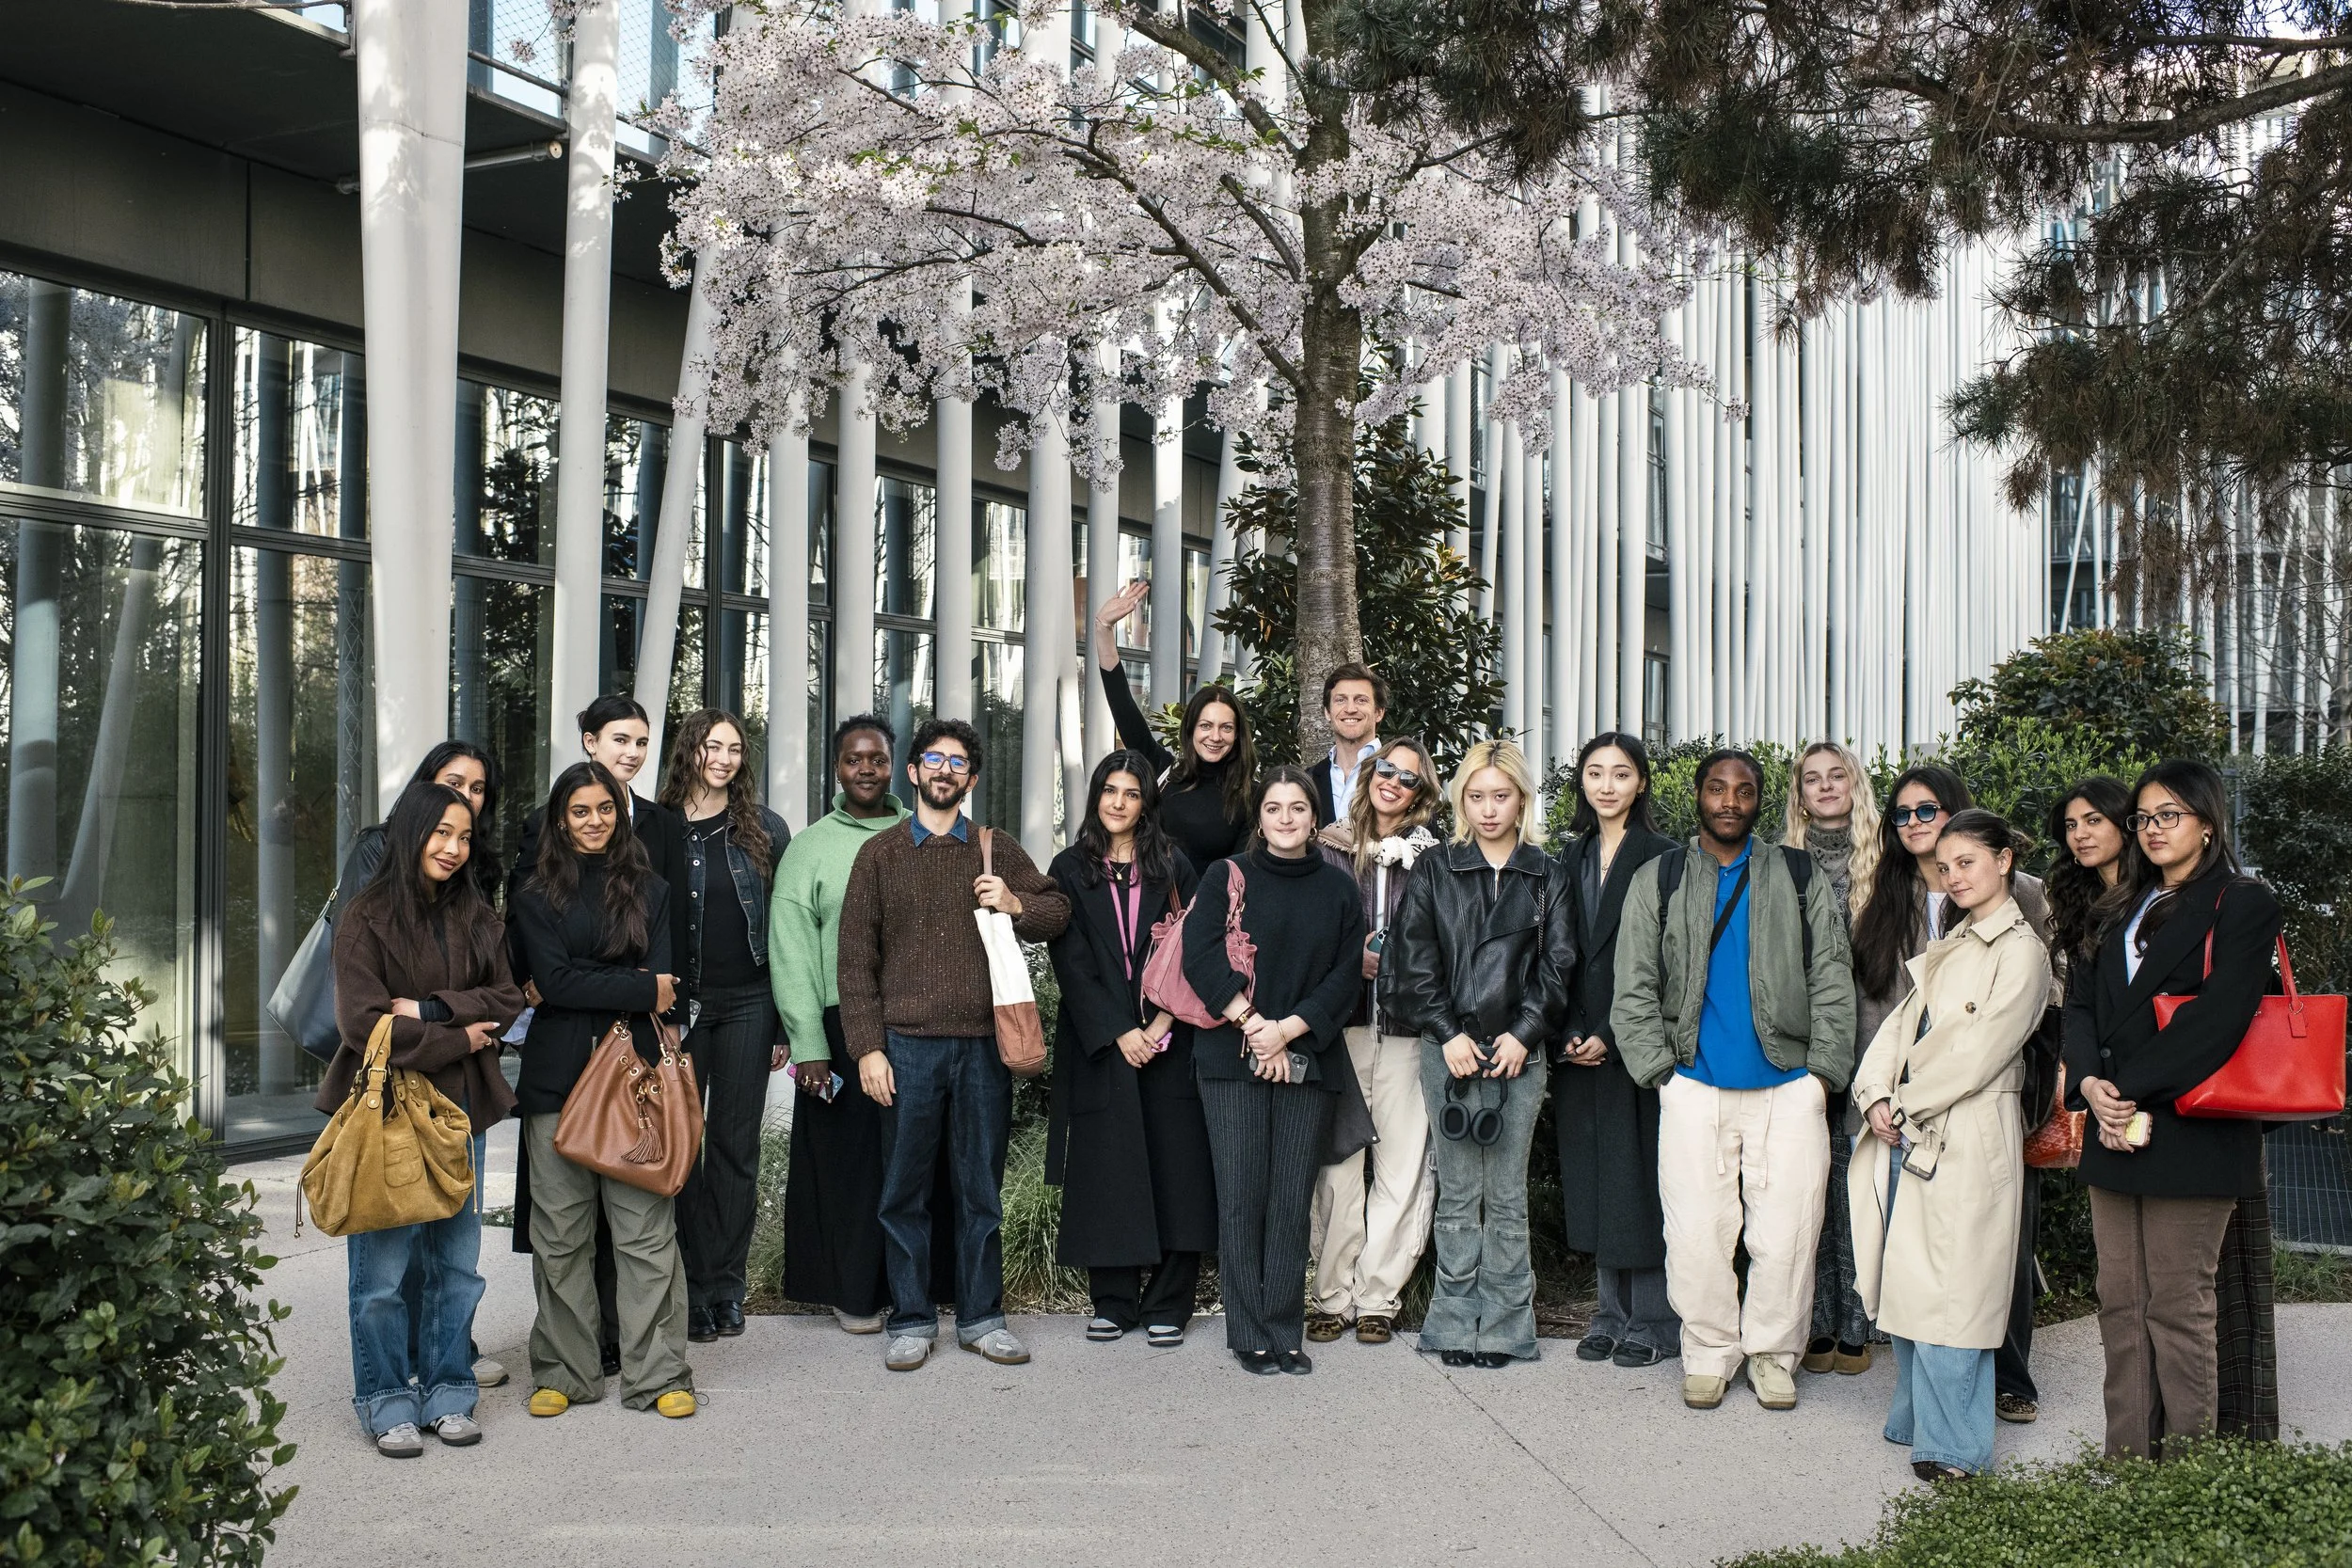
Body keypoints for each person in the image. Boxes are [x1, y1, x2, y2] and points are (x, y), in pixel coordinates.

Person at [1612, 749, 1856, 1413]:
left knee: (1788, 1233)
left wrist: (1822, 1075)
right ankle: (1709, 1352)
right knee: (1696, 1233)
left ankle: (1774, 1355)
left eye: (1743, 790)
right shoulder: (1661, 877)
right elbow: (1633, 984)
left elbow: (1833, 978)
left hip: (1789, 1084)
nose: (1729, 801)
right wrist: (1660, 1072)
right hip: (1693, 1084)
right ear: (1697, 794)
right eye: (1717, 788)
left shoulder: (1796, 873)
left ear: (1759, 800)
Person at [2062, 759, 2284, 1461]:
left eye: (2169, 815)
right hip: (2112, 1123)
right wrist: (2089, 1084)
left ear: (2207, 824)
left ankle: (2189, 1473)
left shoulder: (2241, 902)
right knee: (2120, 1304)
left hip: (2194, 1129)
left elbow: (2219, 1020)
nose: (2153, 829)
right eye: (2144, 818)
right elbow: (2081, 1005)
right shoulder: (2118, 903)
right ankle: (2126, 1461)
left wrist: (2124, 1087)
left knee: (2180, 1308)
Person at [835, 718, 1071, 1371]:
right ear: (913, 772)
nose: (946, 770)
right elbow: (854, 961)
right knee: (903, 1192)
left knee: (979, 1191)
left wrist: (1015, 903)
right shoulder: (879, 854)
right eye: (934, 759)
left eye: (958, 762)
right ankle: (911, 1320)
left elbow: (1058, 912)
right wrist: (867, 1048)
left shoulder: (994, 849)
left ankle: (982, 1318)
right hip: (905, 1048)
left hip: (983, 1049)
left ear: (971, 778)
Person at [1850, 810, 2053, 1481]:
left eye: (1967, 861)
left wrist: (1901, 1102)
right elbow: (1900, 1025)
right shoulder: (1958, 939)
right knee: (1914, 1283)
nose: (1954, 876)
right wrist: (1874, 1093)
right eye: (1945, 866)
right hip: (1919, 1126)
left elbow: (1982, 1051)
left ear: (2005, 860)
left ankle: (1956, 1447)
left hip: (1968, 1133)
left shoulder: (2020, 950)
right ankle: (1916, 1422)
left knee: (1957, 1294)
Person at [322, 781, 523, 1457]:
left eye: (464, 836)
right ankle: (385, 1400)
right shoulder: (365, 916)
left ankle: (448, 1392)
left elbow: (506, 999)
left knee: (456, 1266)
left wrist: (433, 1010)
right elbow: (362, 1022)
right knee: (382, 1274)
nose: (454, 847)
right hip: (388, 1111)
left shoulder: (476, 914)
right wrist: (460, 1037)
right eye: (441, 832)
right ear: (411, 832)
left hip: (461, 1109)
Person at [507, 694, 689, 1377]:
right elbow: (553, 982)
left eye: (605, 810)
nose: (594, 821)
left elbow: (667, 982)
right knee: (560, 1235)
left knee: (645, 1232)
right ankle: (565, 1373)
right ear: (560, 820)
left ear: (620, 815)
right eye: (580, 811)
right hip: (556, 1076)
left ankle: (658, 1373)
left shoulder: (652, 890)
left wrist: (592, 980)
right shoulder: (533, 894)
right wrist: (634, 986)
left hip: (637, 1074)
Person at [1389, 739, 1571, 1369]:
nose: (1489, 809)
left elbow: (1559, 964)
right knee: (1460, 1192)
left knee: (1508, 1194)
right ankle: (1452, 1321)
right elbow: (1413, 960)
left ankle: (1506, 1326)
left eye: (1501, 795)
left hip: (1521, 1052)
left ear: (1521, 799)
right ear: (1461, 801)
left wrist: (1525, 1032)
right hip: (1451, 1050)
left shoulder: (1547, 872)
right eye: (1476, 796)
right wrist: (1447, 1032)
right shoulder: (1436, 867)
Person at [772, 715, 957, 1335]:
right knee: (848, 1166)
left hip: (914, 1019)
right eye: (855, 759)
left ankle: (917, 1288)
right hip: (835, 1024)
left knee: (915, 1161)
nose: (867, 769)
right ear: (837, 768)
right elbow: (791, 950)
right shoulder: (809, 848)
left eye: (877, 758)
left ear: (896, 765)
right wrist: (809, 1043)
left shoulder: (924, 833)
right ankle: (853, 1292)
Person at [1183, 765, 1365, 1375]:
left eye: (1297, 808)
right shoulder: (1226, 875)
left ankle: (1285, 1329)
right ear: (1259, 818)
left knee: (1290, 1198)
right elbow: (1199, 955)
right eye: (1273, 808)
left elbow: (1344, 978)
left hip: (1307, 1058)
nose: (1286, 818)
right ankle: (1248, 1332)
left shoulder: (1340, 889)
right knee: (1241, 1197)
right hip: (1232, 1057)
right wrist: (1255, 1025)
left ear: (1315, 818)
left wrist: (1286, 1031)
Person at [1044, 752, 1216, 1346]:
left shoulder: (1173, 864)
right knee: (1107, 1166)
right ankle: (1114, 1302)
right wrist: (1120, 1031)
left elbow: (1198, 943)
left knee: (1177, 1166)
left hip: (1172, 1033)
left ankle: (1169, 1302)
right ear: (1096, 796)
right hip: (1102, 1041)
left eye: (1132, 793)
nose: (1118, 803)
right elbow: (1071, 960)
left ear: (1147, 803)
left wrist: (1162, 1021)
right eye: (1109, 791)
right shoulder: (1069, 868)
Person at [657, 708, 790, 1345]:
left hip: (749, 1004)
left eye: (735, 748)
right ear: (691, 750)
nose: (724, 758)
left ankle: (724, 1287)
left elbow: (785, 929)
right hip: (681, 1009)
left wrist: (785, 1022)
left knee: (736, 1150)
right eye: (713, 746)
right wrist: (657, 1011)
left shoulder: (764, 827)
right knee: (682, 1149)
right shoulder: (657, 825)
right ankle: (686, 1288)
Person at [1306, 735, 1442, 1346]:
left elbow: (1448, 941)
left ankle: (1378, 1297)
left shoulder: (1436, 859)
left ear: (1421, 792)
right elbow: (1306, 935)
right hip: (1345, 1028)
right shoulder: (1327, 848)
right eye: (1386, 768)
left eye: (1409, 777)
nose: (1393, 781)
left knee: (1403, 1169)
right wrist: (1348, 964)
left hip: (1410, 1032)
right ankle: (1331, 1294)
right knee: (1336, 1167)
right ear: (1369, 772)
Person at [1554, 733, 1681, 1368]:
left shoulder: (1666, 857)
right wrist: (1569, 1030)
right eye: (1595, 772)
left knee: (1642, 1179)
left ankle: (1655, 1319)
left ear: (1641, 783)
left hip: (1639, 1042)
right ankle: (1608, 1312)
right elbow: (1554, 949)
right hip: (1576, 1043)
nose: (1607, 785)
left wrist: (1611, 1029)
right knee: (1597, 1178)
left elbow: (1671, 959)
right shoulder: (1568, 855)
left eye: (1621, 773)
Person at [1094, 579, 1259, 870]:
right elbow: (1123, 708)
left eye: (1226, 728)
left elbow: (1240, 873)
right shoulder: (1165, 773)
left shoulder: (1251, 795)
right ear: (1191, 730)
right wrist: (1103, 629)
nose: (1215, 736)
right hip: (1150, 897)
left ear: (1237, 735)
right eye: (1206, 726)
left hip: (1211, 900)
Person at [329, 740, 504, 918]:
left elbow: (486, 929)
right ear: (427, 784)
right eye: (454, 783)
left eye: (476, 789)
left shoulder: (473, 855)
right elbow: (353, 927)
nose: (466, 795)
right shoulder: (379, 845)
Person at [1782, 740, 1880, 927]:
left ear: (1856, 786)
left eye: (1837, 776)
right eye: (1812, 779)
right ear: (1801, 797)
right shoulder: (1781, 861)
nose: (1825, 785)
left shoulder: (1885, 855)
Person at [1306, 663, 1388, 827]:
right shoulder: (1309, 779)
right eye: (1340, 700)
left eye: (1361, 700)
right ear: (1327, 712)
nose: (1350, 709)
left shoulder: (1401, 774)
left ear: (1379, 712)